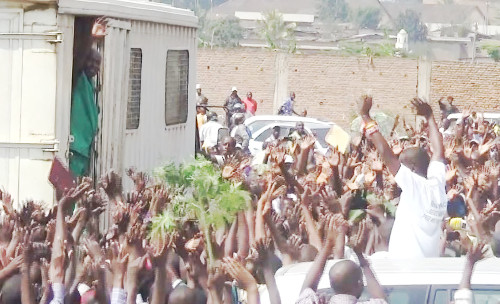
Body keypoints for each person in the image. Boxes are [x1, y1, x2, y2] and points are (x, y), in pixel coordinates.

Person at [358, 96, 447, 258]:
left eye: (401, 165)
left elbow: (386, 154)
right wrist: (430, 117)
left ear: (411, 168)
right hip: (428, 267)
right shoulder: (438, 184)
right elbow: (439, 151)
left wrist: (365, 117)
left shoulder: (415, 186)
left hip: (406, 271)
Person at [69, 49, 101, 177]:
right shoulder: (79, 78)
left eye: (97, 63)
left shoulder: (90, 84)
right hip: (75, 149)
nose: (93, 65)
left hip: (85, 151)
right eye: (90, 61)